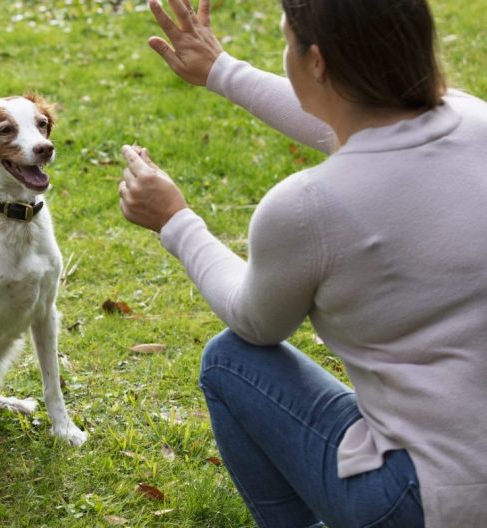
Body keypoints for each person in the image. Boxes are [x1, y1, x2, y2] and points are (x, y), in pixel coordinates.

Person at [117, 0, 487, 526]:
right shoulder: (475, 120)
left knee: (230, 361)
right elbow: (359, 124)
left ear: (316, 62)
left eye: (287, 42)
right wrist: (223, 71)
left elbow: (254, 322)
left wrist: (175, 222)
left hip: (428, 502)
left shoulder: (308, 207)